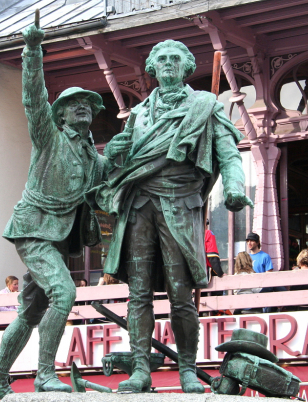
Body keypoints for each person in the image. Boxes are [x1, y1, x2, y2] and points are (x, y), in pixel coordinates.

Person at [87, 39, 253, 394]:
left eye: (174, 58)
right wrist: (115, 152)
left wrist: (236, 187)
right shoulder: (138, 114)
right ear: (151, 67)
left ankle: (188, 370)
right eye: (160, 59)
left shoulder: (204, 106)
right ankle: (141, 371)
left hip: (180, 203)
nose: (166, 63)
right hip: (139, 206)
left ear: (186, 66)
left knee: (181, 294)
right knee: (139, 293)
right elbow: (125, 162)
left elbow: (229, 152)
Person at [0, 14, 112, 400]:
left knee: (30, 312)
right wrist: (33, 50)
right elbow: (33, 97)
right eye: (75, 105)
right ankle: (43, 374)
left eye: (89, 105)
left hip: (58, 239)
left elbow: (112, 184)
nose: (84, 109)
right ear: (60, 115)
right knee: (65, 292)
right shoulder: (47, 137)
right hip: (34, 228)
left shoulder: (95, 159)